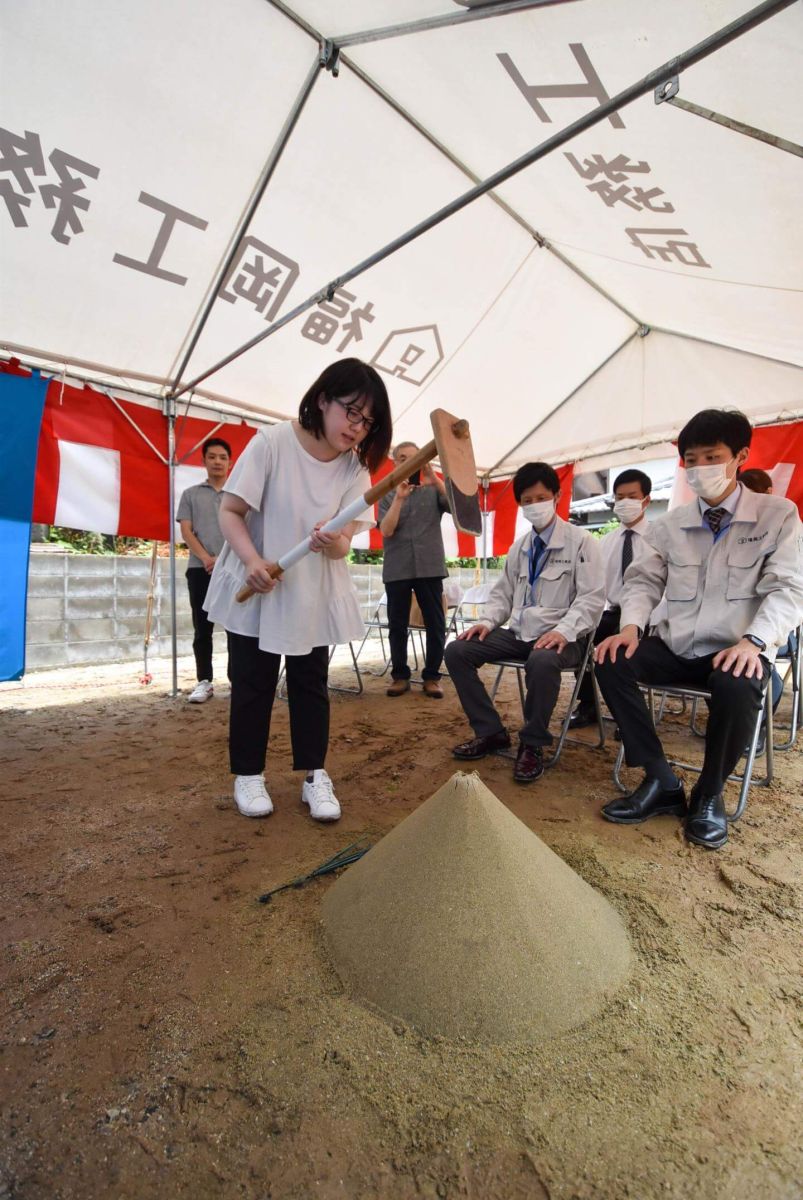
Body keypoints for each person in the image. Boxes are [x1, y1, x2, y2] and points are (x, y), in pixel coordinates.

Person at [594, 408, 803, 850]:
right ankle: (661, 780)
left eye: (712, 456)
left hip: (735, 646)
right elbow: (643, 581)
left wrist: (756, 642)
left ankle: (709, 792)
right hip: (677, 644)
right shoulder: (672, 523)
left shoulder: (776, 516)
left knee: (741, 681)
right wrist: (630, 628)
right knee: (611, 659)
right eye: (692, 459)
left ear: (740, 456)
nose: (700, 468)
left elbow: (789, 589)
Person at [203, 359, 392, 821]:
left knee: (311, 684)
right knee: (253, 683)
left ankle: (314, 776)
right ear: (323, 398)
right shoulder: (272, 442)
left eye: (368, 421)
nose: (357, 427)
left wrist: (332, 543)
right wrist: (251, 561)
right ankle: (248, 775)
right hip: (260, 583)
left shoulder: (354, 470)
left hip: (311, 591)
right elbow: (230, 511)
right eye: (352, 412)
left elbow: (345, 546)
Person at [444, 462, 605, 783]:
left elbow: (592, 598)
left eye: (541, 498)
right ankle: (491, 732)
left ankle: (532, 744)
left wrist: (564, 630)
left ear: (557, 496)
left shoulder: (582, 542)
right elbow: (502, 594)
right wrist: (487, 622)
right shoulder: (520, 547)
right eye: (527, 501)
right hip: (519, 633)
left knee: (543, 660)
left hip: (566, 637)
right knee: (457, 651)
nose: (534, 506)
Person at [569, 468, 652, 729]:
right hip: (613, 612)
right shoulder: (605, 542)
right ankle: (589, 703)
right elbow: (594, 586)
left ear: (646, 500)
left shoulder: (660, 538)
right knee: (578, 636)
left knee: (622, 655)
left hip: (651, 616)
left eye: (632, 496)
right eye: (619, 497)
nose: (625, 502)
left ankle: (631, 714)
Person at [379, 443, 451, 699]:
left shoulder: (433, 490)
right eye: (402, 459)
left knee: (435, 624)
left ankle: (432, 676)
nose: (408, 463)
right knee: (397, 625)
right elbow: (386, 530)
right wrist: (399, 498)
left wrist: (433, 477)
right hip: (397, 567)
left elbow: (455, 507)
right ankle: (400, 676)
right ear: (395, 464)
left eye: (414, 458)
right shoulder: (386, 493)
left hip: (430, 565)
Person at [177, 437, 232, 704]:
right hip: (200, 569)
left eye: (222, 457)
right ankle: (204, 681)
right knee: (202, 627)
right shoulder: (190, 494)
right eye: (212, 457)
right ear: (204, 461)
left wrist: (223, 562)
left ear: (230, 462)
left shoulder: (238, 494)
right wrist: (207, 558)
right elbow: (186, 531)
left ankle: (238, 679)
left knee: (237, 627)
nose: (217, 462)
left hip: (233, 571)